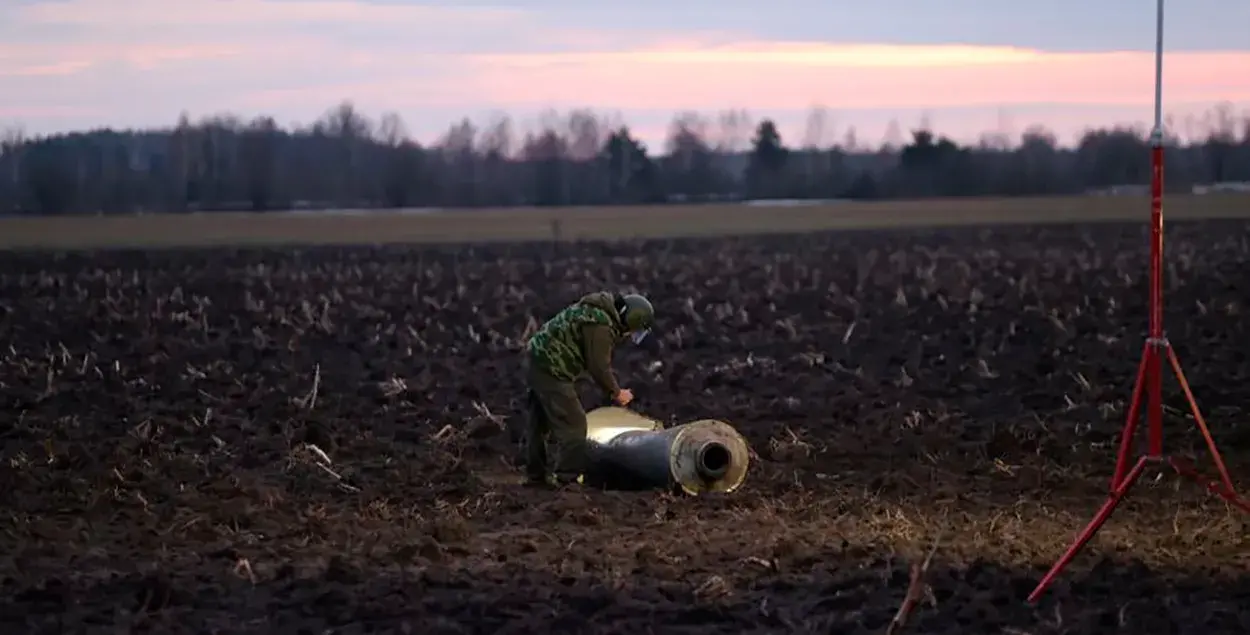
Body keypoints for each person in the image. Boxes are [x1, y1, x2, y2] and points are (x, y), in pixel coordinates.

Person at [523, 291, 655, 487]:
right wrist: (617, 392)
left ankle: (536, 476)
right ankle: (567, 479)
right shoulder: (600, 325)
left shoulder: (594, 312)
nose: (630, 335)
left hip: (537, 360)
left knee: (540, 422)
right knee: (575, 426)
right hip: (552, 369)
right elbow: (598, 366)